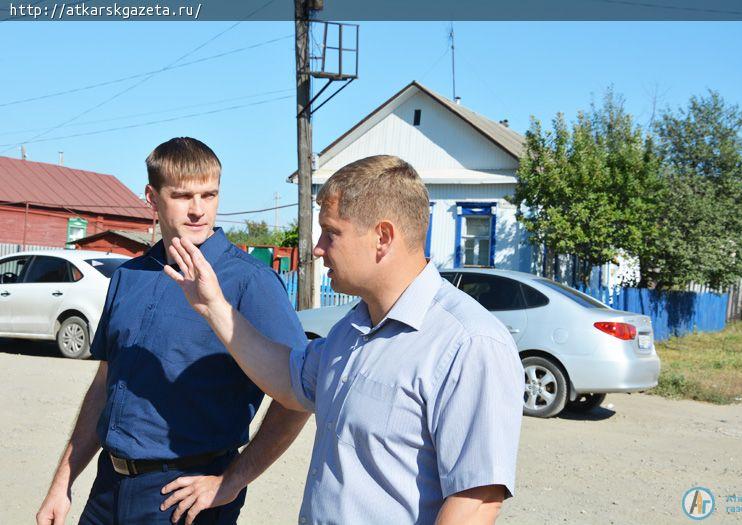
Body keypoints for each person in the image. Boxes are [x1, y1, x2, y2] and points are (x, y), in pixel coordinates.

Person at [164, 155, 525, 524]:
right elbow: (290, 383)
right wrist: (215, 308)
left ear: (382, 237)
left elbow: (476, 500)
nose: (318, 249)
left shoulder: (468, 343)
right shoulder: (352, 329)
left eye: (331, 233)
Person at [36, 137, 310, 525]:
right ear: (152, 196)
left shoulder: (250, 282)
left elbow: (299, 394)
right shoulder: (128, 276)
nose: (198, 210)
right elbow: (104, 387)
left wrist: (232, 481)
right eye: (183, 196)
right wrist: (62, 484)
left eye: (209, 195)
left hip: (184, 498)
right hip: (108, 488)